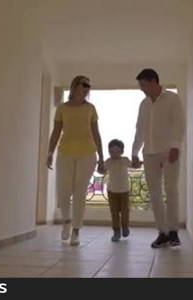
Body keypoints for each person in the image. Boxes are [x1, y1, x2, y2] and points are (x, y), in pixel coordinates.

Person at [47, 75, 105, 246]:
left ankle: (76, 231)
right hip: (65, 153)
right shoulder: (62, 108)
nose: (87, 88)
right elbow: (56, 132)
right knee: (64, 190)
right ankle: (66, 222)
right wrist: (50, 152)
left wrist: (101, 157)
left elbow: (96, 134)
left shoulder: (91, 109)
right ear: (74, 86)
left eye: (89, 85)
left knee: (80, 192)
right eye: (83, 84)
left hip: (87, 154)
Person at [132, 68, 185, 248]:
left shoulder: (172, 98)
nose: (141, 89)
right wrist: (134, 152)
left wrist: (176, 146)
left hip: (169, 151)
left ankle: (174, 232)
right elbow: (140, 129)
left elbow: (179, 123)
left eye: (143, 85)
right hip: (149, 153)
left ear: (154, 81)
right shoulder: (143, 104)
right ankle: (162, 232)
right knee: (154, 194)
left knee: (171, 191)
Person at [101, 139, 139, 242]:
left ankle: (125, 227)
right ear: (109, 152)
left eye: (117, 151)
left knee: (125, 211)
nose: (114, 154)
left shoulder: (125, 160)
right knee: (114, 212)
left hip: (124, 191)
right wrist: (99, 166)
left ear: (121, 151)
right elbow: (101, 170)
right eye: (112, 151)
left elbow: (134, 165)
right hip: (112, 191)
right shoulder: (108, 161)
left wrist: (138, 162)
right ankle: (116, 231)